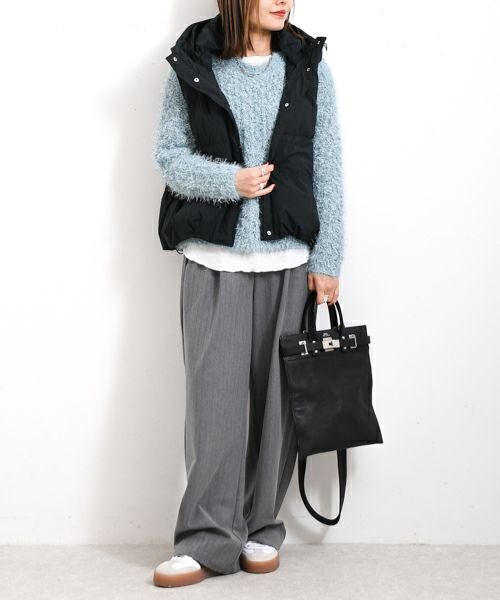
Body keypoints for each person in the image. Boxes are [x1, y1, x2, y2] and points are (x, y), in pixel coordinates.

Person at [151, 0, 344, 587]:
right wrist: (229, 182)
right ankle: (206, 538)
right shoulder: (192, 63)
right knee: (215, 406)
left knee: (279, 407)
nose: (283, 0)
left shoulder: (307, 65)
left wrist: (328, 258)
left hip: (290, 261)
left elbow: (327, 165)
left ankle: (261, 527)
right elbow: (170, 158)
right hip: (214, 260)